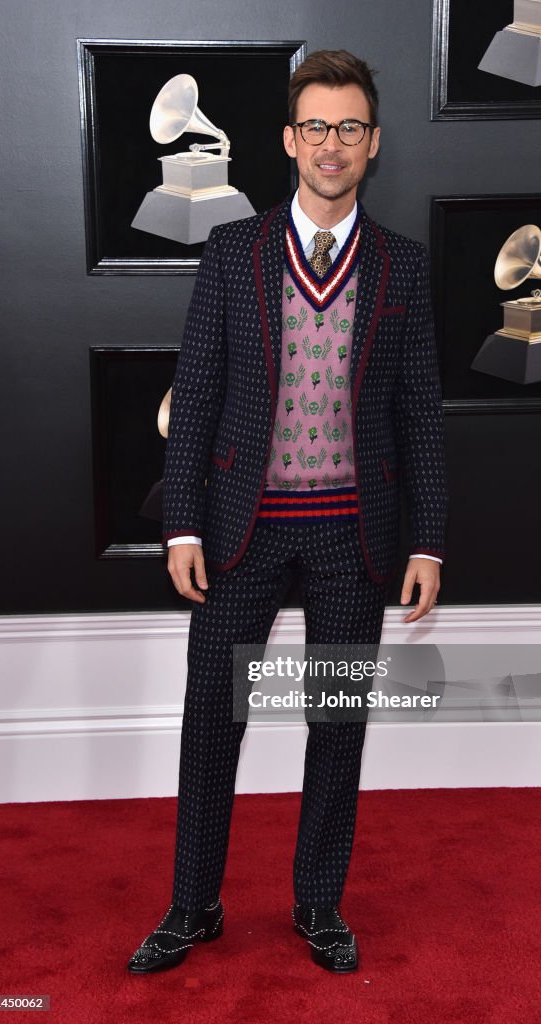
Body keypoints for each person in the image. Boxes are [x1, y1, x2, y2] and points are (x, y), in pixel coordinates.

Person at [128, 49, 447, 976]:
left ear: (374, 143)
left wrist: (427, 538)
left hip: (355, 538)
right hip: (242, 531)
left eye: (350, 128)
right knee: (209, 724)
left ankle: (318, 905)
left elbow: (421, 411)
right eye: (317, 127)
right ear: (288, 140)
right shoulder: (234, 251)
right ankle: (193, 906)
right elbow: (197, 391)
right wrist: (181, 522)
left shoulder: (404, 267)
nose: (333, 144)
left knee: (336, 728)